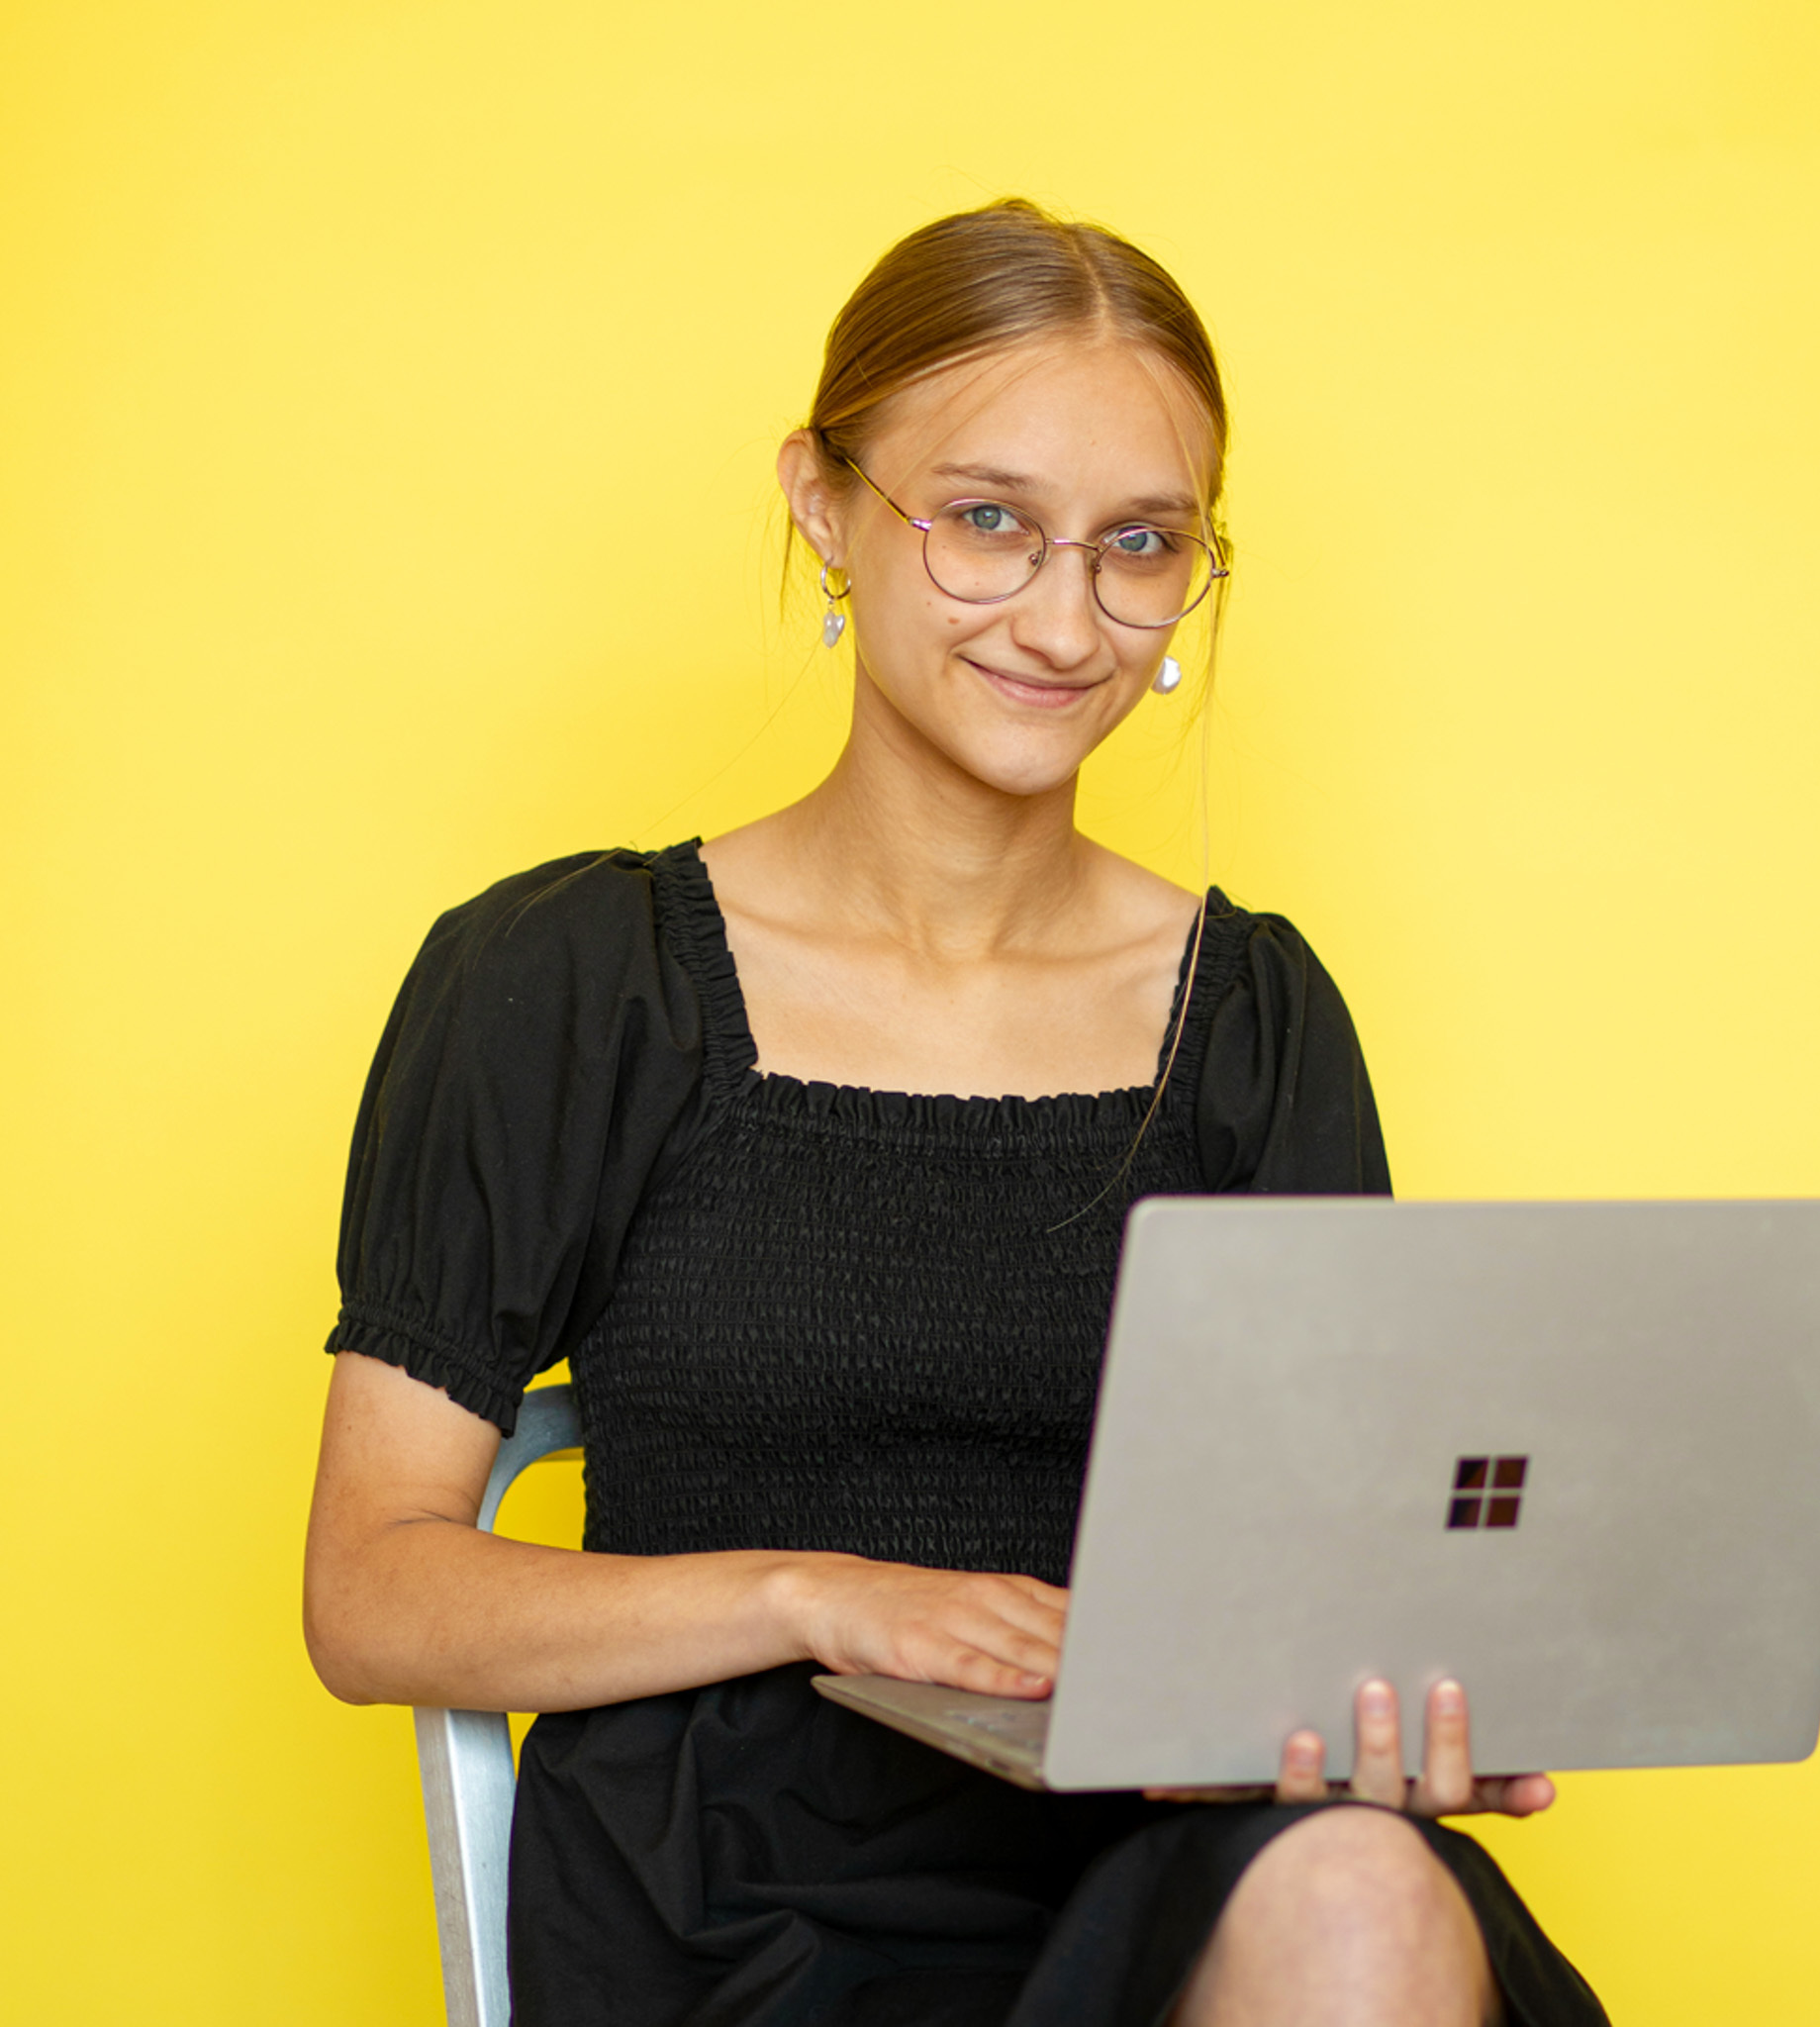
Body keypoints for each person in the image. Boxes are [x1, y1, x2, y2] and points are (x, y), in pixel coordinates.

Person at [305, 199, 1608, 2027]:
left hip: (1154, 1846)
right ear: (824, 505)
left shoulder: (1252, 1017)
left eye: (1139, 545)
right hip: (740, 1885)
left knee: (1364, 1895)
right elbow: (371, 1593)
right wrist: (818, 1598)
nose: (1066, 620)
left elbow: (1327, 1562)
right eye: (987, 519)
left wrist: (1373, 1712)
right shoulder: (573, 980)